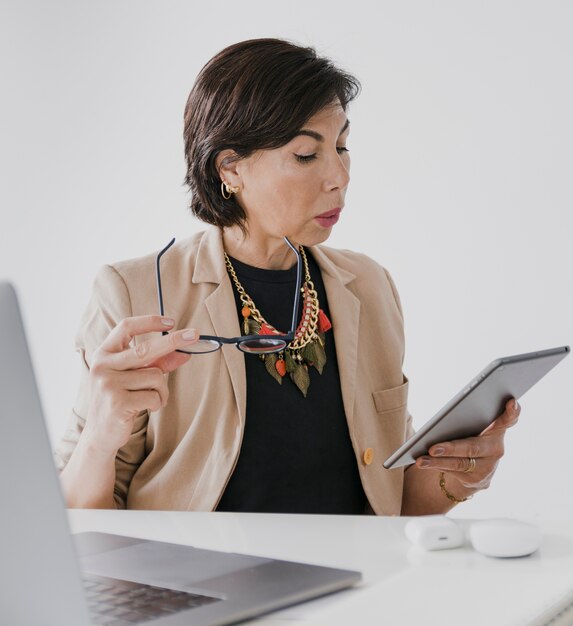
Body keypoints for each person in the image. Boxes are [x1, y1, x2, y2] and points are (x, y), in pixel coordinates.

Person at [56, 38, 519, 514]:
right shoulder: (134, 293)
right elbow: (79, 517)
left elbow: (391, 503)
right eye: (306, 154)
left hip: (360, 582)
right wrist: (99, 436)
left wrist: (460, 476)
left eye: (342, 146)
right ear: (230, 167)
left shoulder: (369, 285)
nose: (339, 175)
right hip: (205, 583)